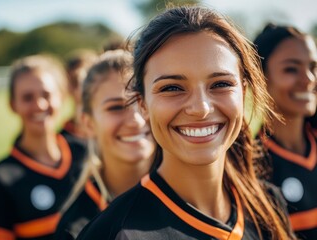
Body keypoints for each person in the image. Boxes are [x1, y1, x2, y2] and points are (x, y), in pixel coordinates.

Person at [76, 5, 296, 240]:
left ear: (243, 92)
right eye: (172, 88)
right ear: (142, 104)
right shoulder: (114, 233)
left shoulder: (268, 207)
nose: (201, 108)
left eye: (221, 84)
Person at [0, 54, 87, 240]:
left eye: (46, 94)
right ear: (13, 105)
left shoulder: (87, 154)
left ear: (61, 97)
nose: (39, 105)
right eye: (27, 97)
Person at [55, 49, 155, 239]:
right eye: (116, 107)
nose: (136, 120)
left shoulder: (196, 193)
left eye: (143, 102)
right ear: (88, 123)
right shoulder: (77, 229)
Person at [253, 23, 317, 239]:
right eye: (291, 68)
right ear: (260, 79)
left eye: (313, 67)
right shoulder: (248, 164)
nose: (308, 79)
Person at [60, 49, 98, 143]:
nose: (82, 88)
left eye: (89, 79)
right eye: (74, 82)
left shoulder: (111, 129)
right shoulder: (62, 138)